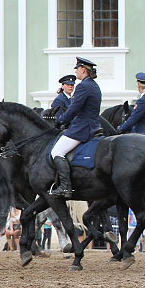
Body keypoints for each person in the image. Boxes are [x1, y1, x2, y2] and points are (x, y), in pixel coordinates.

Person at [50, 57, 102, 198]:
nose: (76, 71)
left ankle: (65, 187)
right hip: (93, 125)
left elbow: (74, 109)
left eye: (77, 68)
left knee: (57, 152)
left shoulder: (83, 86)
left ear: (83, 70)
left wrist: (60, 120)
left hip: (81, 128)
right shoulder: (94, 85)